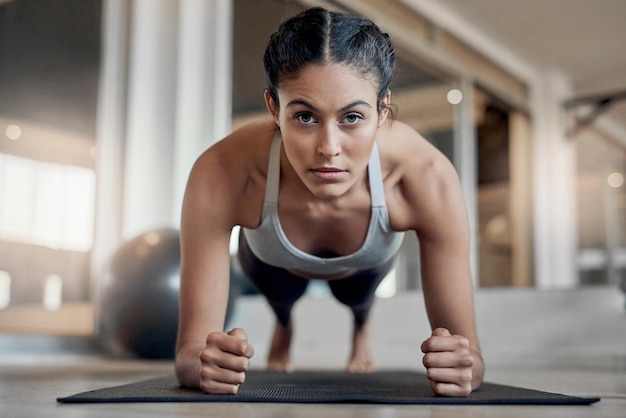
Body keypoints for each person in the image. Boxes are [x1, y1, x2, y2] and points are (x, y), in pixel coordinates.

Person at [175, 7, 484, 397]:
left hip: (364, 268)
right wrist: (203, 363)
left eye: (352, 117)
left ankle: (361, 326)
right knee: (280, 295)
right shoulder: (221, 172)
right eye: (305, 117)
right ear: (274, 109)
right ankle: (284, 324)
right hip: (272, 262)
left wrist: (462, 365)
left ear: (382, 110)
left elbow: (471, 356)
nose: (329, 149)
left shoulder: (426, 177)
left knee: (357, 296)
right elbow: (189, 353)